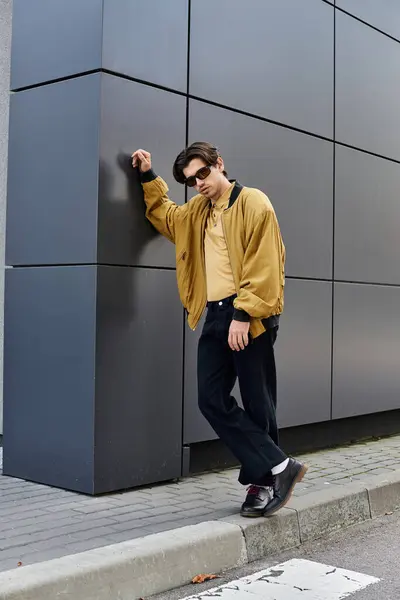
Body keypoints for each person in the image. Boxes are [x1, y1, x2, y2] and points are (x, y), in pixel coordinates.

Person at [131, 142, 307, 517]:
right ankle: (279, 466)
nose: (199, 183)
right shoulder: (197, 212)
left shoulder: (253, 202)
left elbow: (266, 262)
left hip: (249, 314)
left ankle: (263, 482)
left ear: (219, 164)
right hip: (213, 314)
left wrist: (244, 315)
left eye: (203, 173)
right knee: (210, 398)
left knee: (257, 401)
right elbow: (166, 216)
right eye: (192, 180)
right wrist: (148, 176)